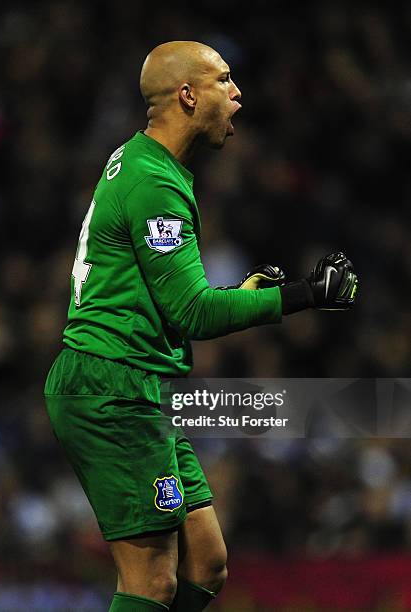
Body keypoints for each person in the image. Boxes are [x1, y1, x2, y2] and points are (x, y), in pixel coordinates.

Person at [44, 41, 358, 612]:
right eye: (225, 81)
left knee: (206, 563)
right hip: (112, 386)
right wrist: (306, 295)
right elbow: (194, 313)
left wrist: (243, 295)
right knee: (150, 582)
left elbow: (169, 303)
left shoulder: (144, 163)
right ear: (188, 95)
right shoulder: (154, 183)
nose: (238, 94)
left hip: (140, 385)